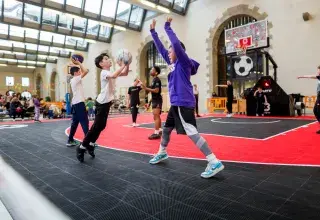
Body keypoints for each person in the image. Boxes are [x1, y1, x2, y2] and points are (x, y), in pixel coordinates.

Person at [148, 17, 224, 178]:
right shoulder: (173, 64)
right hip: (176, 103)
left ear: (179, 52)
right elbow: (161, 49)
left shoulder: (183, 62)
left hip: (183, 102)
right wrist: (153, 32)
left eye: (171, 50)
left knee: (192, 132)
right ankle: (162, 152)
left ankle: (213, 160)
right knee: (167, 129)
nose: (168, 52)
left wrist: (167, 27)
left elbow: (175, 45)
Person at [76, 53, 129, 162]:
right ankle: (81, 147)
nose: (109, 59)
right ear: (101, 63)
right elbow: (115, 75)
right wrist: (123, 64)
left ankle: (90, 144)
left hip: (106, 103)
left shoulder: (110, 72)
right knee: (96, 126)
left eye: (108, 58)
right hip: (102, 103)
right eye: (106, 59)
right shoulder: (104, 72)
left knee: (101, 126)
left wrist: (127, 64)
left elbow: (125, 73)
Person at [66, 59, 89, 147]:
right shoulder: (75, 79)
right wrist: (79, 63)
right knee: (84, 122)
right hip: (79, 104)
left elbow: (84, 71)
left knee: (75, 124)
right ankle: (87, 143)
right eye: (79, 71)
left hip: (75, 104)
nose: (80, 72)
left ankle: (70, 140)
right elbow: (86, 71)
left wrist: (76, 65)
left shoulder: (74, 80)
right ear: (75, 73)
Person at [140, 66, 163, 139]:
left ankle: (156, 133)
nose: (150, 71)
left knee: (156, 116)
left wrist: (146, 88)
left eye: (152, 70)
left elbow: (156, 90)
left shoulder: (157, 80)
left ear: (156, 72)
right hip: (155, 100)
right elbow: (153, 93)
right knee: (156, 116)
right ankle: (159, 130)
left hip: (157, 100)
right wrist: (149, 103)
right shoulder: (153, 80)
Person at [297, 65, 320, 133]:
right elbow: (311, 76)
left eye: (318, 70)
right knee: (315, 110)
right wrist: (301, 76)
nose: (317, 72)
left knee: (317, 110)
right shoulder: (318, 77)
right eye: (318, 70)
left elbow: (310, 76)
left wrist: (301, 76)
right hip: (319, 95)